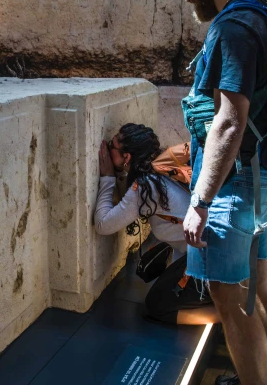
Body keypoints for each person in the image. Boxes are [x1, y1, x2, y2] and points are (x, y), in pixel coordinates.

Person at [170, 0, 267, 385]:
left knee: (232, 303)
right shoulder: (266, 15)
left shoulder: (232, 27)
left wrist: (199, 203)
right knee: (265, 281)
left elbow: (229, 121)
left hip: (234, 188)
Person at [94, 123, 219, 326]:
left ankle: (231, 314)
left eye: (111, 146)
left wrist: (107, 178)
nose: (108, 150)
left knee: (157, 307)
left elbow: (103, 224)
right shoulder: (163, 166)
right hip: (219, 250)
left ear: (126, 157)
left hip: (209, 262)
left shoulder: (146, 187)